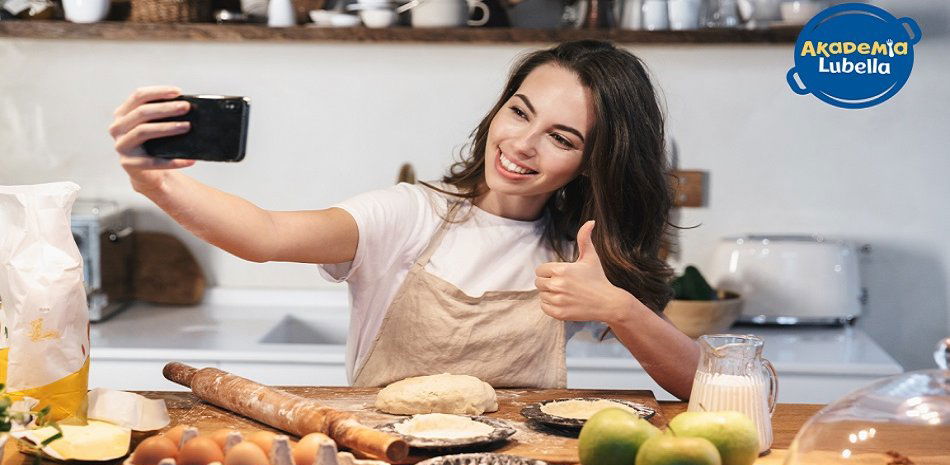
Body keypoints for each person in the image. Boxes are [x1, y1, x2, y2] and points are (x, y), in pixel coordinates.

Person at [108, 40, 699, 400]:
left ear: (593, 164)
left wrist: (617, 306)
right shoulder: (409, 215)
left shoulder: (582, 253)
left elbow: (704, 386)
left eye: (561, 138)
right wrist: (153, 179)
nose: (522, 144)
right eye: (519, 112)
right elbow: (264, 234)